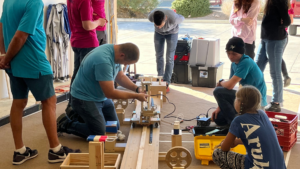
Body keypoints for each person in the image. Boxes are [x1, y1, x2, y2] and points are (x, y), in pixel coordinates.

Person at [0, 0, 78, 165]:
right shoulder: (33, 2)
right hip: (33, 61)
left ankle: (19, 151)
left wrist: (5, 56)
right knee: (49, 101)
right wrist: (7, 57)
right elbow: (21, 35)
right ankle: (56, 150)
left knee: (18, 102)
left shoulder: (8, 1)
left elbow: (1, 29)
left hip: (14, 63)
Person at [57, 43, 147, 139]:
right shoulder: (103, 61)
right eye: (126, 63)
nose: (125, 65)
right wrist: (136, 96)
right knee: (101, 133)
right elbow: (110, 93)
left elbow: (120, 77)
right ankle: (65, 123)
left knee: (114, 128)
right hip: (83, 99)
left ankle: (77, 115)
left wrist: (137, 89)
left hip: (100, 96)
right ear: (122, 55)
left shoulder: (116, 52)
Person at [212, 86, 286, 169]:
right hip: (280, 166)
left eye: (236, 98)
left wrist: (223, 143)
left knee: (217, 154)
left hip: (259, 167)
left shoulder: (238, 121)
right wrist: (237, 142)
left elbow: (224, 148)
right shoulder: (262, 114)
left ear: (241, 103)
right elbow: (261, 139)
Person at [212, 37, 267, 126]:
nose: (230, 56)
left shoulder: (246, 62)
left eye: (234, 54)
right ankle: (237, 121)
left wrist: (220, 82)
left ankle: (235, 125)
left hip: (255, 101)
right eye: (228, 53)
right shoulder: (234, 63)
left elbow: (229, 85)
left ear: (241, 53)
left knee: (218, 91)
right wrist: (220, 107)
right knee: (218, 118)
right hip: (246, 96)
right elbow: (229, 88)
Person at [66, 0, 106, 113]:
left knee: (77, 75)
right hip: (87, 42)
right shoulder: (85, 1)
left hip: (76, 41)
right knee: (87, 78)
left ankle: (72, 106)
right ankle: (81, 108)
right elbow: (87, 25)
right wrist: (98, 22)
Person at [255, 0, 291, 112]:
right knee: (256, 68)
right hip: (266, 38)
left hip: (275, 39)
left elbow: (287, 21)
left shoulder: (279, 1)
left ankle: (276, 102)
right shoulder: (271, 2)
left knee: (275, 72)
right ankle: (255, 97)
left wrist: (279, 25)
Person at [148, 8, 185, 93]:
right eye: (156, 25)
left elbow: (182, 17)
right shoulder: (151, 17)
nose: (159, 27)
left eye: (160, 25)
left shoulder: (174, 18)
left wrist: (175, 13)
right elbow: (150, 14)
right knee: (158, 55)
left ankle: (167, 82)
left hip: (172, 33)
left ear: (166, 18)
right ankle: (160, 78)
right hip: (158, 34)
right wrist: (158, 27)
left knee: (169, 57)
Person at [281, 0, 294, 87]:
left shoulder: (288, 8)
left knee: (277, 58)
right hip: (282, 36)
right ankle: (285, 76)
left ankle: (285, 76)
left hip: (281, 36)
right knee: (277, 58)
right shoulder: (288, 8)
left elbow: (291, 21)